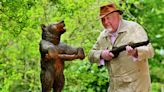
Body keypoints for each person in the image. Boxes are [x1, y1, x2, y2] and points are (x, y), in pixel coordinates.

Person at [88, 3, 154, 92]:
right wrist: (102, 54)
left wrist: (135, 52)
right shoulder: (103, 36)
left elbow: (150, 51)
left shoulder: (134, 28)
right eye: (103, 19)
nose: (105, 22)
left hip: (136, 86)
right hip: (114, 87)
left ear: (118, 16)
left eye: (108, 18)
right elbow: (91, 55)